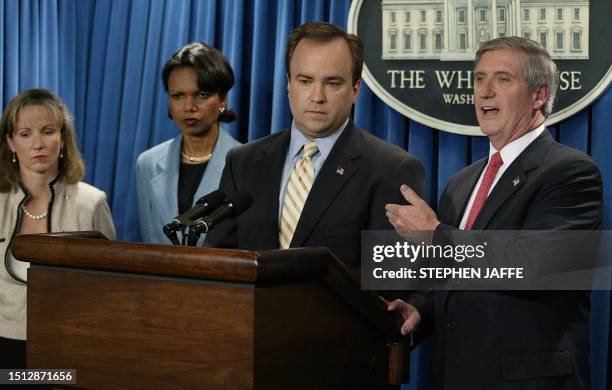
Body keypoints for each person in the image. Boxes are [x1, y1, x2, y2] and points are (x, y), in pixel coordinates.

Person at [385, 37, 603, 389]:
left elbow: (537, 267)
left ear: (539, 95)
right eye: (479, 78)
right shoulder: (462, 182)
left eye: (503, 79)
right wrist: (420, 310)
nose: (485, 91)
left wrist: (437, 235)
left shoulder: (570, 172)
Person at [206, 22, 426, 271]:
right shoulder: (242, 162)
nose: (317, 96)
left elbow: (390, 278)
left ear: (355, 90)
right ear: (289, 84)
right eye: (305, 81)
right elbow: (219, 261)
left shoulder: (391, 170)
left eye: (332, 83)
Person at [0, 88, 116, 368]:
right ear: (11, 143)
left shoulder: (92, 202)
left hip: (68, 344)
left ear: (63, 137)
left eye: (48, 131)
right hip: (4, 345)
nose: (38, 143)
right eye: (25, 134)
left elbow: (109, 285)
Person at [136, 42, 241, 244]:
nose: (189, 106)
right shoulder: (147, 164)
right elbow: (149, 239)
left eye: (201, 95)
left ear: (223, 100)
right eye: (178, 96)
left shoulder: (246, 163)